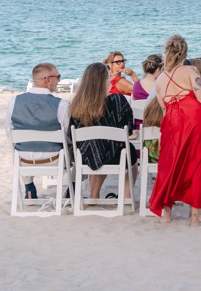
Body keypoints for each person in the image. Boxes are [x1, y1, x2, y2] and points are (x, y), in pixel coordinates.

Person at [149, 34, 201, 226]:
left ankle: (167, 215)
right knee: (196, 165)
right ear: (184, 52)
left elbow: (163, 108)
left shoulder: (159, 79)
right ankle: (194, 220)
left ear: (167, 52)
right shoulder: (190, 70)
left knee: (170, 166)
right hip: (195, 118)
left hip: (171, 122)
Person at [68, 62, 138, 201]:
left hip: (85, 156)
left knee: (97, 147)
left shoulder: (77, 104)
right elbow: (129, 129)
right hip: (115, 156)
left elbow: (71, 133)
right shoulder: (118, 100)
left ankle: (94, 195)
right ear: (105, 81)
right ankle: (126, 196)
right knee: (127, 151)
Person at [7, 62, 70, 199]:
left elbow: (9, 132)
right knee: (79, 150)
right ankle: (72, 189)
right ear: (48, 79)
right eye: (58, 77)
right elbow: (68, 136)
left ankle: (29, 187)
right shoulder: (62, 105)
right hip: (54, 159)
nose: (59, 81)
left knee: (20, 146)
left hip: (23, 160)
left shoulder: (14, 101)